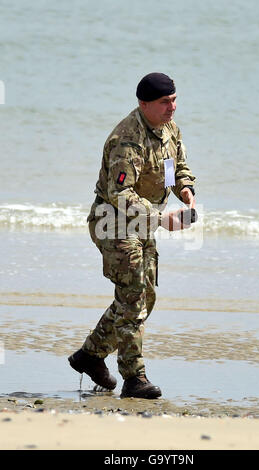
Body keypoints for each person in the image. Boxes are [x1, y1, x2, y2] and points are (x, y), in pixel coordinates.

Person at [68, 73, 196, 399]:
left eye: (174, 100)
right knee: (134, 295)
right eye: (165, 102)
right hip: (111, 223)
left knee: (144, 296)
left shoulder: (169, 129)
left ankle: (91, 355)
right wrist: (161, 218)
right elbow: (119, 194)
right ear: (143, 104)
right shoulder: (127, 140)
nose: (172, 107)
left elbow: (174, 166)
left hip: (143, 223)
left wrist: (184, 189)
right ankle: (134, 378)